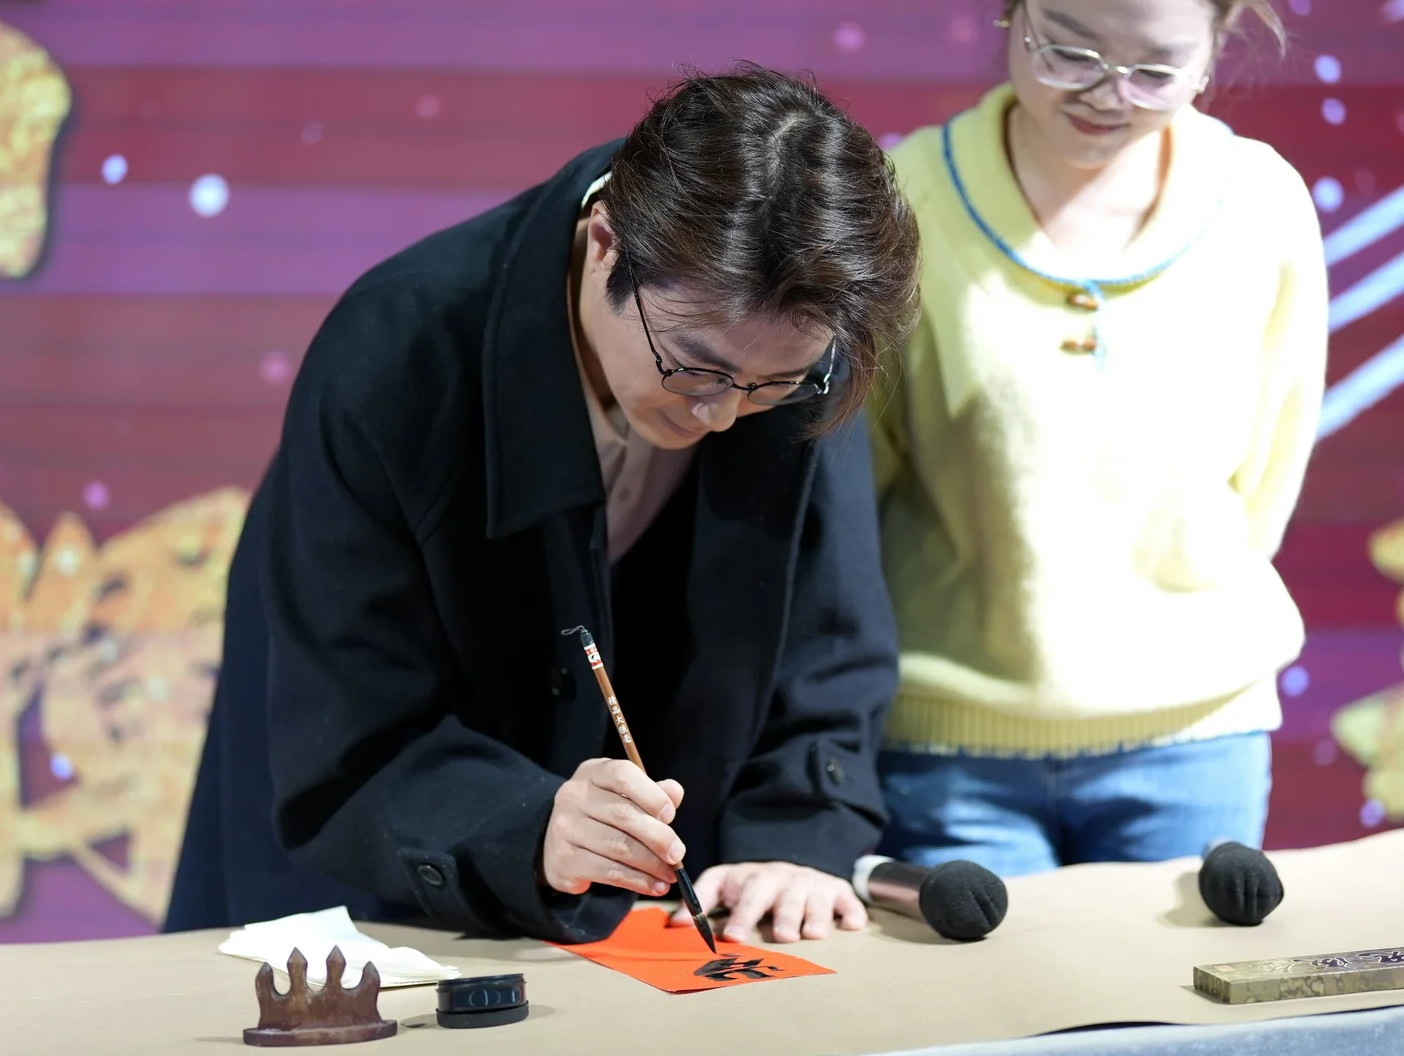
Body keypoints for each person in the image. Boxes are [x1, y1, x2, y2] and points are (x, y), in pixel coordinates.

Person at [166, 66, 920, 945]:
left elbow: (829, 642)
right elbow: (350, 727)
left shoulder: (802, 344)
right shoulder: (396, 354)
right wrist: (528, 828)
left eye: (770, 386)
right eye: (693, 369)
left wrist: (797, 840)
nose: (720, 416)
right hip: (390, 851)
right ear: (604, 245)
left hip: (666, 873)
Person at [868, 0, 1327, 875]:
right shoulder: (907, 198)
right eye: (1064, 48)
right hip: (949, 748)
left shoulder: (1259, 203)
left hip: (1199, 737)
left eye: (1154, 70)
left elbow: (1265, 479)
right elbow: (857, 484)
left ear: (1217, 48)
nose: (1102, 94)